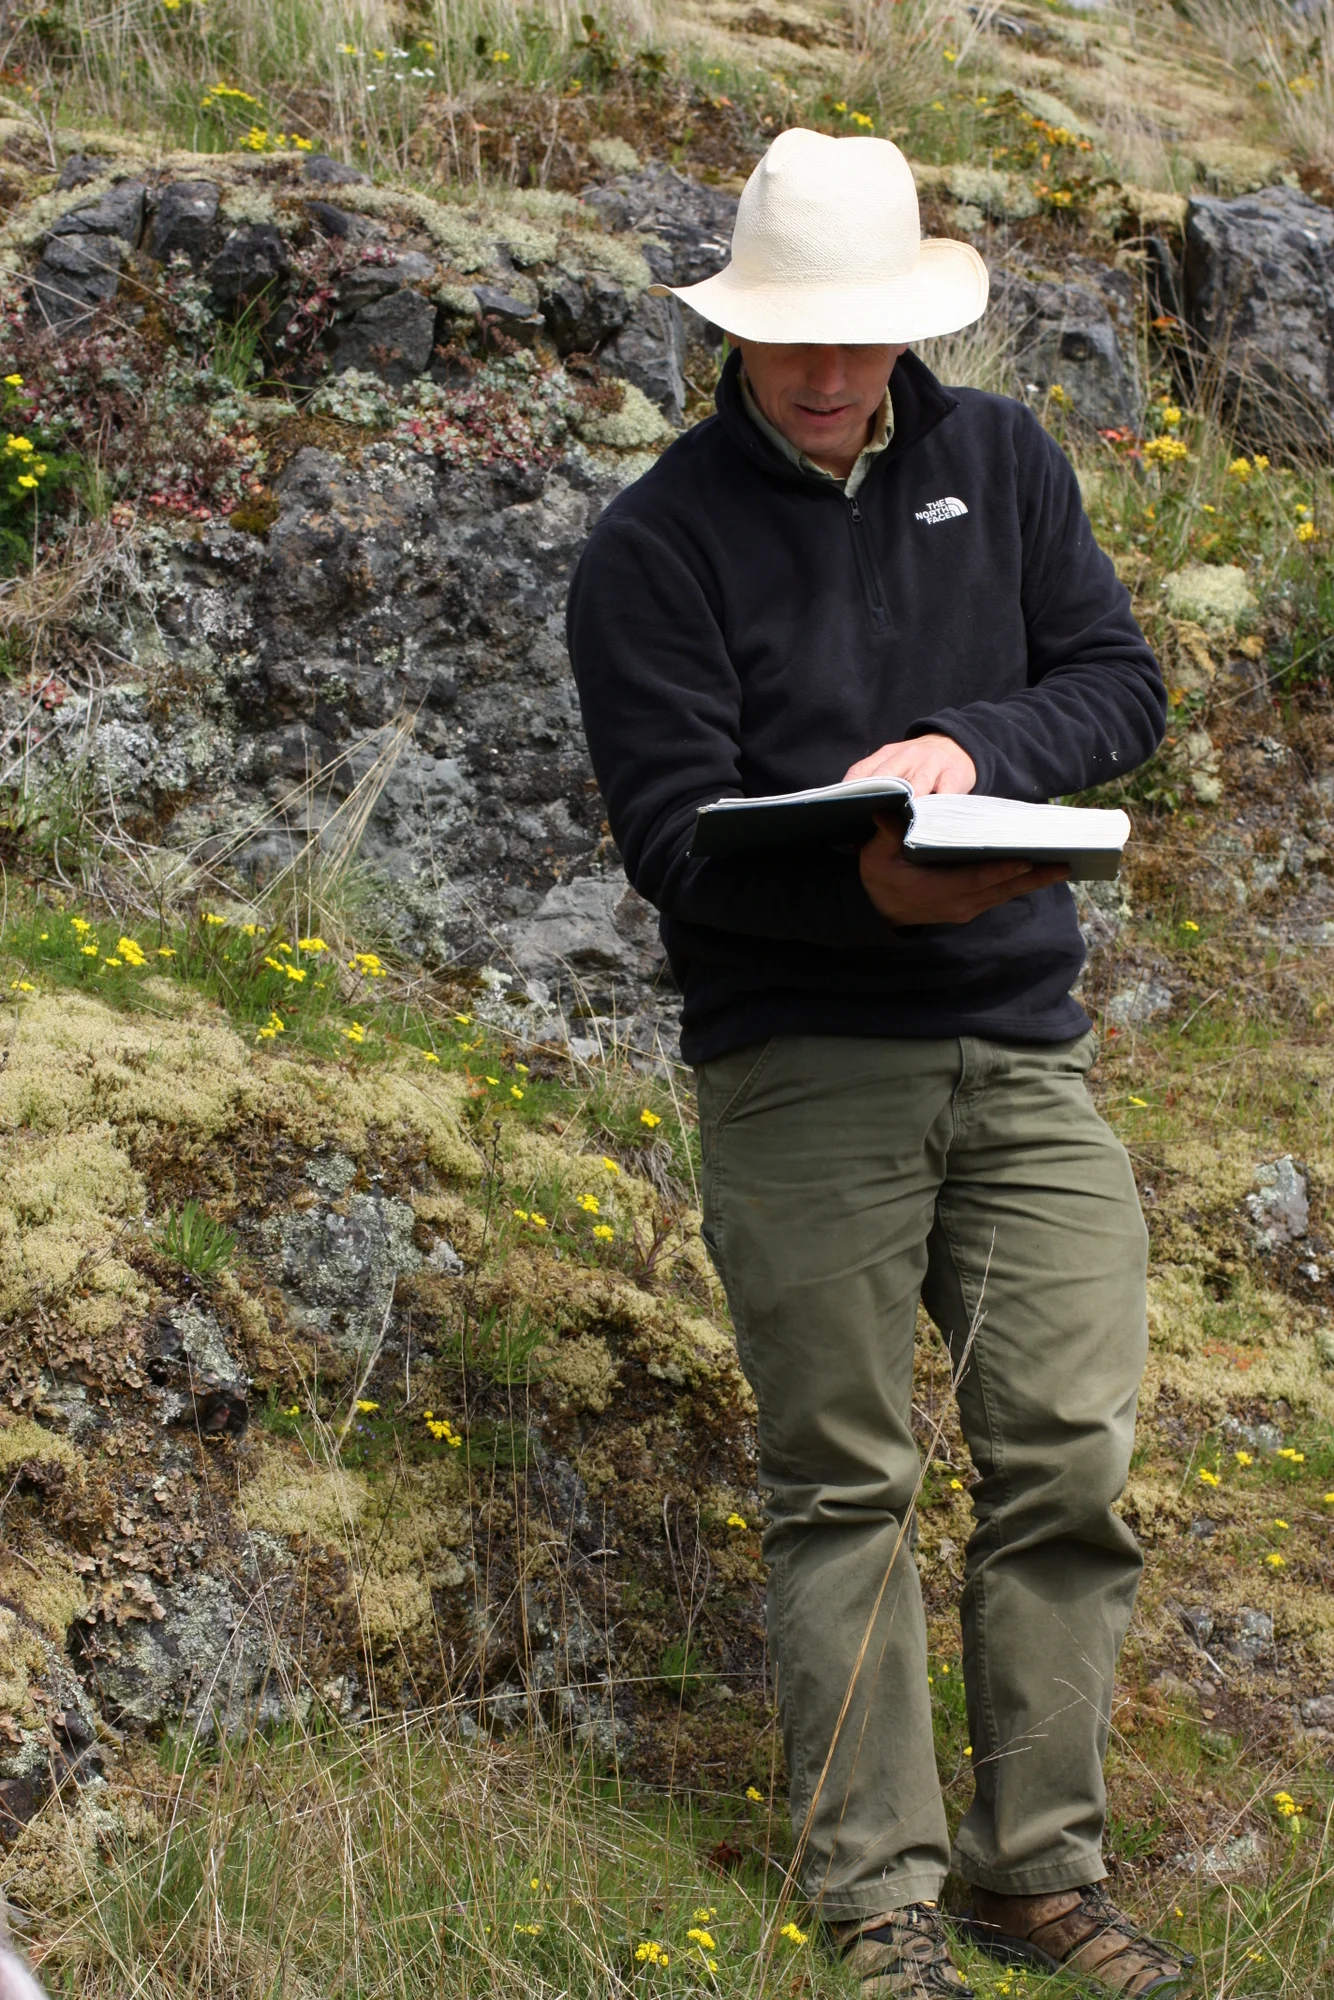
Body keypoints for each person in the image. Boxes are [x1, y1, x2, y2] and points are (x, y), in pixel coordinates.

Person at [567, 127, 1186, 2000]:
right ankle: (878, 1902)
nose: (832, 374)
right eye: (793, 340)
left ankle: (1035, 1869)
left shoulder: (1000, 462)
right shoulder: (653, 544)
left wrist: (963, 747)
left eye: (860, 336)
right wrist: (872, 891)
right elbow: (676, 842)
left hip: (1020, 1049)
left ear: (912, 320)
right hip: (802, 1065)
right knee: (842, 1481)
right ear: (734, 334)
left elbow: (1119, 685)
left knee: (1068, 1458)